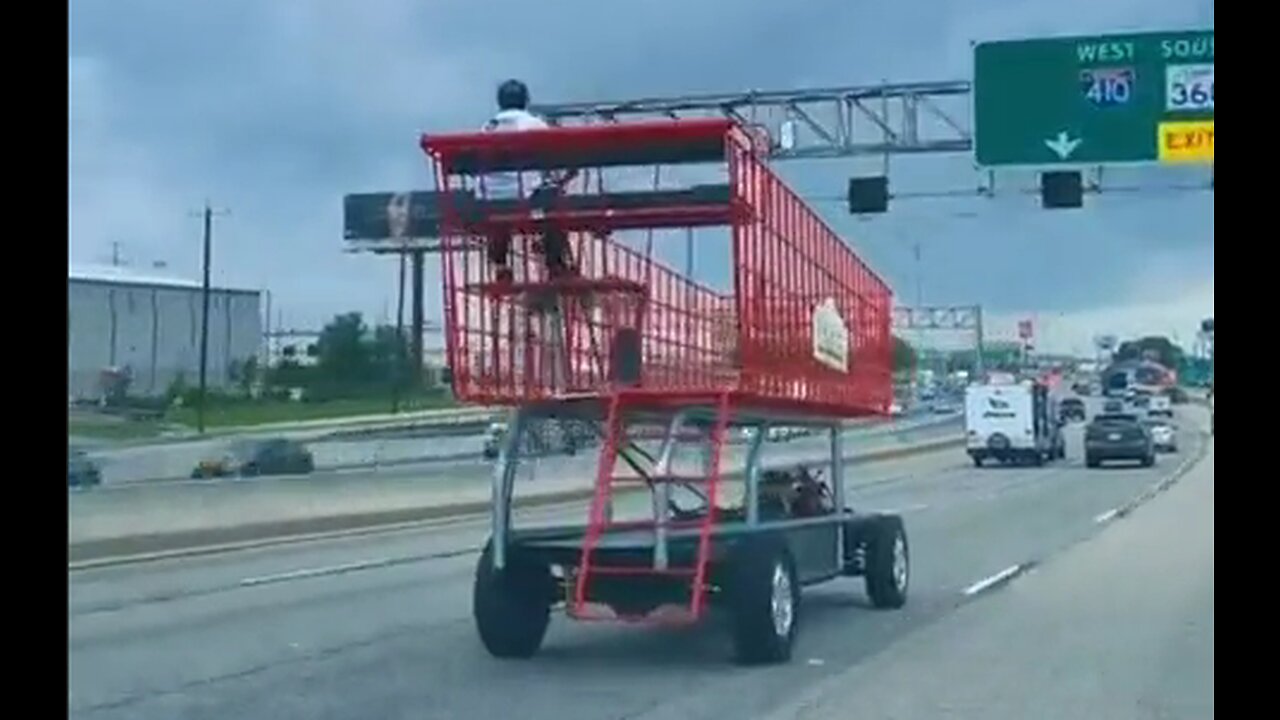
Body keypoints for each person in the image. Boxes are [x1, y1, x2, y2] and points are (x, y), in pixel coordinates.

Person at [480, 79, 577, 284]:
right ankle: (555, 263)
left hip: (490, 198)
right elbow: (555, 157)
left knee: (500, 210)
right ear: (525, 101)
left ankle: (500, 264)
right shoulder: (533, 123)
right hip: (526, 196)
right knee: (554, 200)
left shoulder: (487, 127)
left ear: (500, 102)